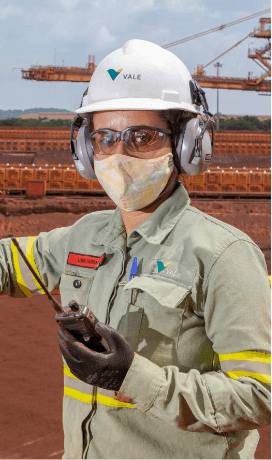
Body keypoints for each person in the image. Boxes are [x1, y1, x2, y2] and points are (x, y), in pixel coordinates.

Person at [3, 39, 271, 459]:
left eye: (142, 137)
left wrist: (133, 377)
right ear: (85, 152)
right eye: (105, 138)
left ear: (186, 145)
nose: (119, 153)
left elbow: (257, 396)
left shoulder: (224, 255)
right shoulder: (82, 237)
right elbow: (7, 264)